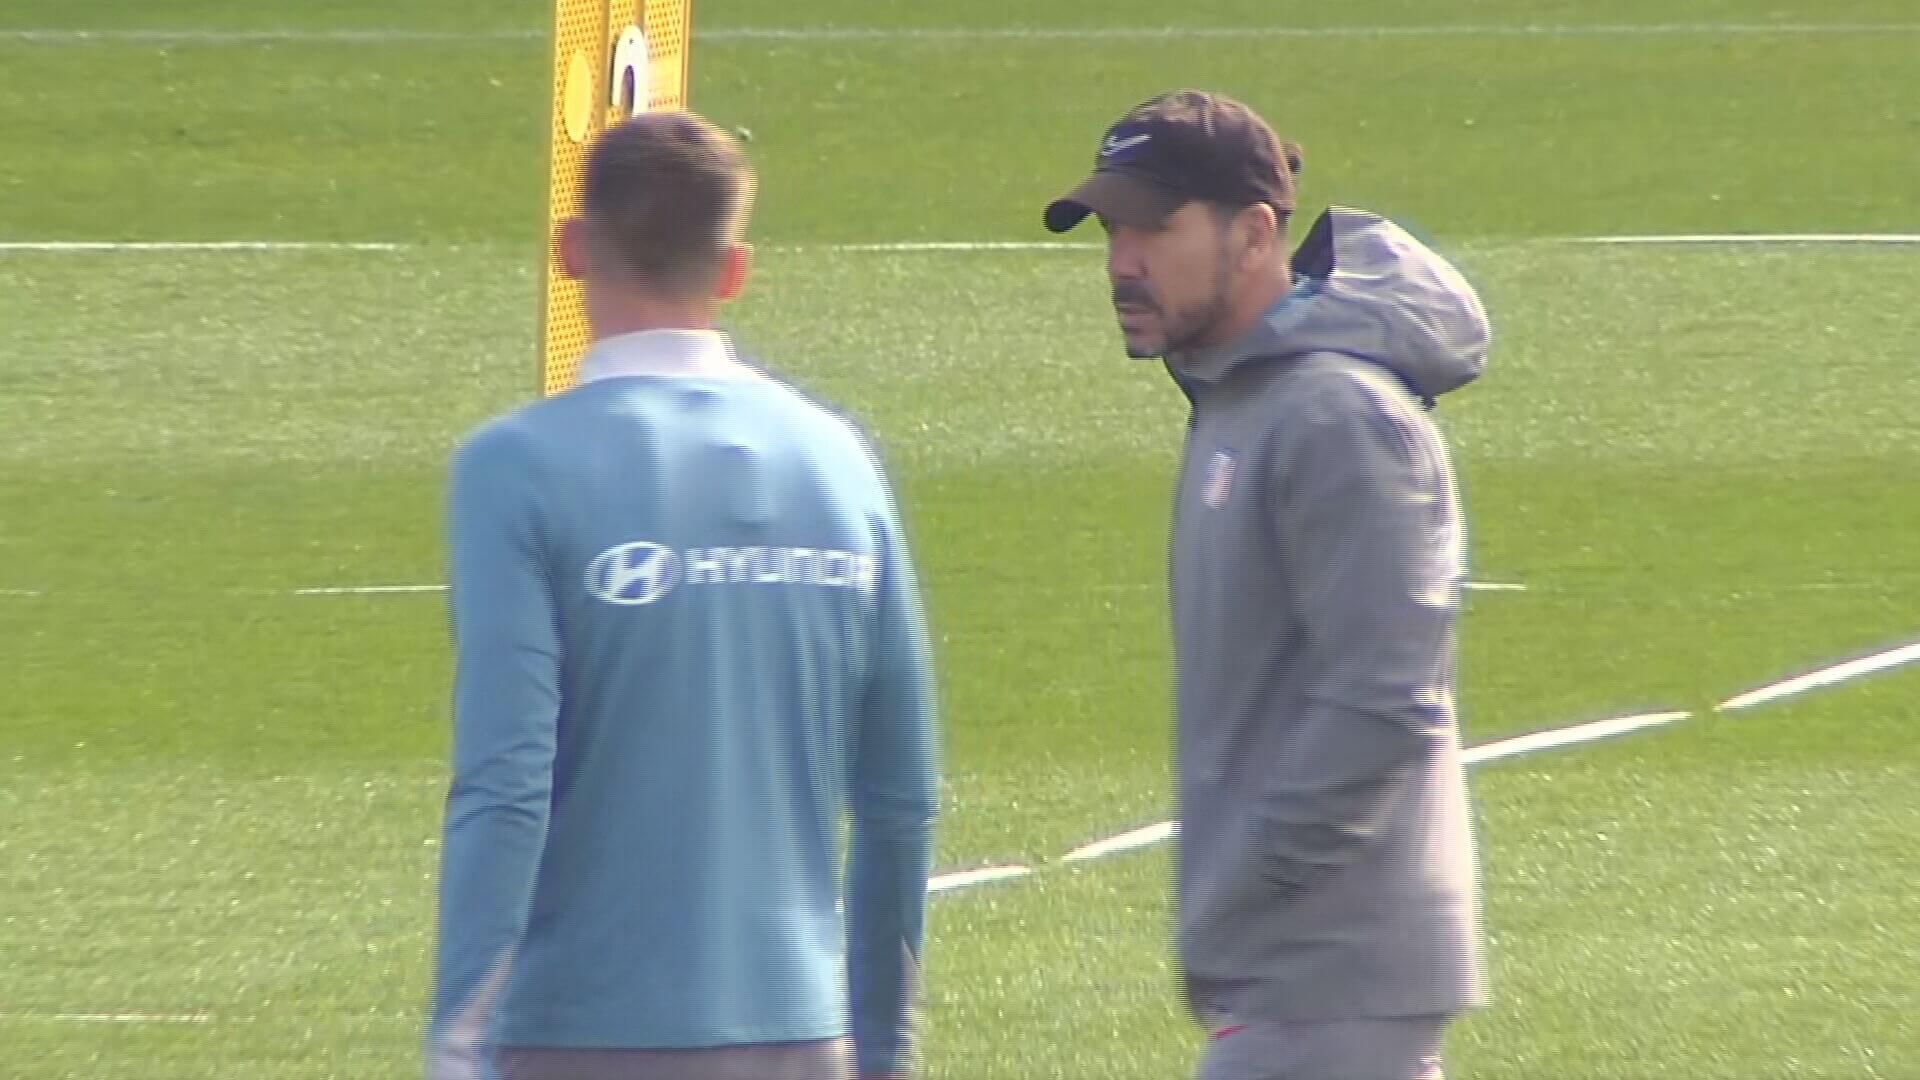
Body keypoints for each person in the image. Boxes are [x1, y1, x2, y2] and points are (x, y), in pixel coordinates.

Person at [428, 110, 938, 1080]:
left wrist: (458, 1042)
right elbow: (900, 795)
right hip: (799, 1030)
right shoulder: (840, 463)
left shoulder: (515, 468)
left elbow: (507, 782)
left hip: (573, 1035)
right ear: (735, 269)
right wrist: (882, 1049)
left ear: (572, 249)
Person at [1043, 89, 1491, 1080]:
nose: (1122, 260)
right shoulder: (1243, 400)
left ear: (1253, 233)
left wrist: (1254, 876)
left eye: (1154, 228)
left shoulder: (1335, 415)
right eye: (1113, 231)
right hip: (1291, 984)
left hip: (1330, 983)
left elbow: (1385, 696)